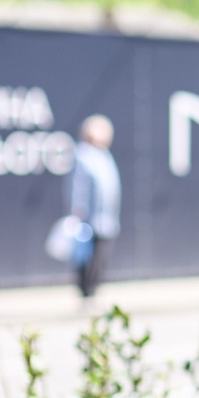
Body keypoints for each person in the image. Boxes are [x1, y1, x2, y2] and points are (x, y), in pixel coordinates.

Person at [68, 114, 120, 298]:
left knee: (101, 258)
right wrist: (79, 212)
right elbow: (78, 187)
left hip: (107, 218)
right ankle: (86, 292)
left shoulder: (104, 155)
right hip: (89, 220)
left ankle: (93, 291)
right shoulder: (83, 156)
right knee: (86, 257)